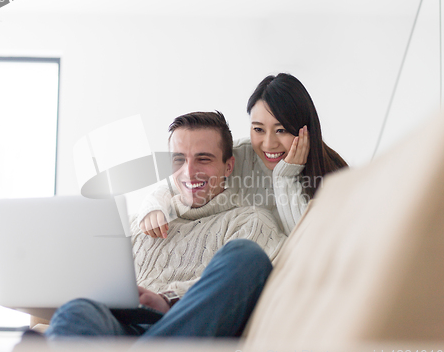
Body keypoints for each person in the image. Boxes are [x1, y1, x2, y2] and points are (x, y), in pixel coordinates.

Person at [45, 111, 285, 339]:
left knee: (247, 257)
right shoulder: (137, 223)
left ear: (228, 166)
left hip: (185, 329)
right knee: (75, 312)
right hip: (118, 332)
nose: (189, 172)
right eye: (178, 160)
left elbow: (247, 284)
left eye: (203, 159)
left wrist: (169, 299)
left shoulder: (249, 221)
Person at [139, 73, 348, 237]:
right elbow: (174, 185)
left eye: (281, 130)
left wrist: (285, 177)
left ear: (304, 129)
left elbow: (303, 243)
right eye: (258, 129)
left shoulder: (332, 175)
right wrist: (154, 209)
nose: (268, 144)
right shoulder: (238, 156)